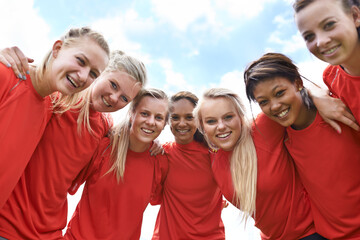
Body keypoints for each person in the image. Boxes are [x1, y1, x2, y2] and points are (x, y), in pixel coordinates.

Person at [0, 50, 146, 240]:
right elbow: (27, 83)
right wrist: (7, 58)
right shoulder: (57, 97)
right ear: (100, 72)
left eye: (124, 98)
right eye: (113, 85)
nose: (114, 98)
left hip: (50, 234)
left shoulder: (103, 129)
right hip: (8, 226)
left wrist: (153, 141)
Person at [244, 52, 360, 239]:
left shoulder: (338, 108)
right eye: (263, 102)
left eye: (280, 93)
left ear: (298, 83)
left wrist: (317, 94)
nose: (274, 106)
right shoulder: (277, 135)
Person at [0, 26, 110, 209]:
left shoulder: (50, 108)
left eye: (93, 74)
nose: (83, 77)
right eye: (80, 61)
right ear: (57, 49)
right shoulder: (7, 77)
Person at [194, 88, 320, 240]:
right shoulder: (211, 161)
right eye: (211, 121)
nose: (221, 126)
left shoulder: (262, 129)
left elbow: (294, 93)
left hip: (311, 233)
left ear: (240, 117)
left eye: (228, 117)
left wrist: (322, 98)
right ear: (202, 127)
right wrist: (157, 146)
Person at [64, 88, 169, 240]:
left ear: (165, 124)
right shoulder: (104, 147)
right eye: (145, 113)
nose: (151, 122)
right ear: (132, 114)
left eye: (159, 118)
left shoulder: (161, 163)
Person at [151, 91, 225, 240]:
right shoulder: (162, 154)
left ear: (199, 120)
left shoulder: (216, 154)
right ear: (168, 121)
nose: (182, 123)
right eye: (175, 117)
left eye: (189, 117)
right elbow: (154, 198)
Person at [294, 0, 360, 123]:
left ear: (355, 16)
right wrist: (315, 95)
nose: (320, 41)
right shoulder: (330, 77)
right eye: (309, 36)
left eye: (329, 24)